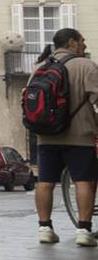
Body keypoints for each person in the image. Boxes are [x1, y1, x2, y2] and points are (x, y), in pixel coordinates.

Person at [29, 28, 98, 246]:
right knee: (84, 180)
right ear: (72, 42)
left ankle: (44, 228)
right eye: (82, 41)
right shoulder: (87, 66)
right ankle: (84, 231)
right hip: (80, 136)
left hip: (46, 136)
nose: (85, 46)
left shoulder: (39, 67)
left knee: (45, 182)